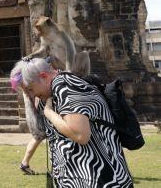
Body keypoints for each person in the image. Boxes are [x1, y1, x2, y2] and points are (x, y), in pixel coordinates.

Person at [10, 58, 133, 187]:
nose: (32, 94)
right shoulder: (53, 92)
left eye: (30, 89)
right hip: (77, 178)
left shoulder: (67, 87)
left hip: (99, 178)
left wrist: (49, 113)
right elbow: (39, 132)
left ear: (44, 76)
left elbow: (80, 135)